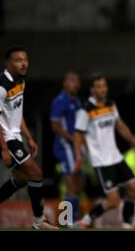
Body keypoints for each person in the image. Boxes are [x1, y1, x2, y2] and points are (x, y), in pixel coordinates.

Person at [0, 46, 57, 229]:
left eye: (25, 59)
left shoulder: (21, 82)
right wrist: (4, 148)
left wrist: (29, 138)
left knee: (21, 178)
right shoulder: (0, 86)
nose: (23, 63)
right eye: (18, 60)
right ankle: (39, 221)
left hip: (14, 136)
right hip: (1, 138)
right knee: (36, 172)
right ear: (8, 63)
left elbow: (16, 114)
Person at [74, 74, 135, 229]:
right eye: (98, 86)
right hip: (102, 161)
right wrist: (78, 157)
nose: (102, 89)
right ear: (92, 90)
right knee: (114, 201)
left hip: (116, 157)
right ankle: (85, 220)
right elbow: (78, 135)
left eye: (104, 86)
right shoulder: (85, 110)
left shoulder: (111, 104)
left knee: (133, 189)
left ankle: (127, 225)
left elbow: (121, 126)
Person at [50, 72, 83, 222]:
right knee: (70, 184)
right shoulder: (60, 101)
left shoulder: (77, 101)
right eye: (71, 80)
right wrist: (73, 139)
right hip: (65, 147)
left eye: (77, 81)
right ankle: (68, 221)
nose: (75, 84)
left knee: (78, 185)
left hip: (76, 148)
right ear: (64, 83)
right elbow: (55, 126)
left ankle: (71, 219)